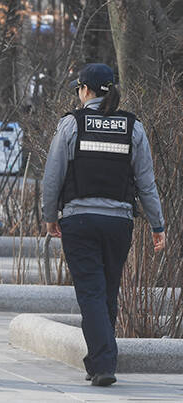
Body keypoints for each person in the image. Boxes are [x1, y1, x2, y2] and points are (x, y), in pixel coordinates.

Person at [42, 63, 166, 386]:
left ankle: (104, 363)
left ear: (86, 90)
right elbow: (146, 182)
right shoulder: (132, 127)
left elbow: (53, 175)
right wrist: (158, 225)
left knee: (91, 293)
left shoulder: (72, 124)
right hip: (118, 223)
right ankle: (98, 360)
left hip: (79, 221)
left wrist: (50, 216)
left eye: (79, 89)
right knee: (107, 292)